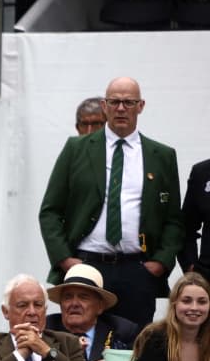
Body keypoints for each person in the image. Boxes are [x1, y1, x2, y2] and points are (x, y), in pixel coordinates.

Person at [39, 77, 183, 334]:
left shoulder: (161, 155)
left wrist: (160, 262)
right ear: (105, 106)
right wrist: (64, 260)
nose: (121, 108)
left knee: (135, 348)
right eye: (114, 102)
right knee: (78, 345)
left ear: (141, 106)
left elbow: (173, 219)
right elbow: (50, 211)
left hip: (137, 269)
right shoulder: (76, 148)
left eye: (128, 102)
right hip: (85, 264)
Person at [46, 262, 143, 361]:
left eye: (83, 297)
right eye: (68, 297)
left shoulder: (123, 331)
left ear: (100, 307)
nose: (74, 303)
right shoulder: (47, 329)